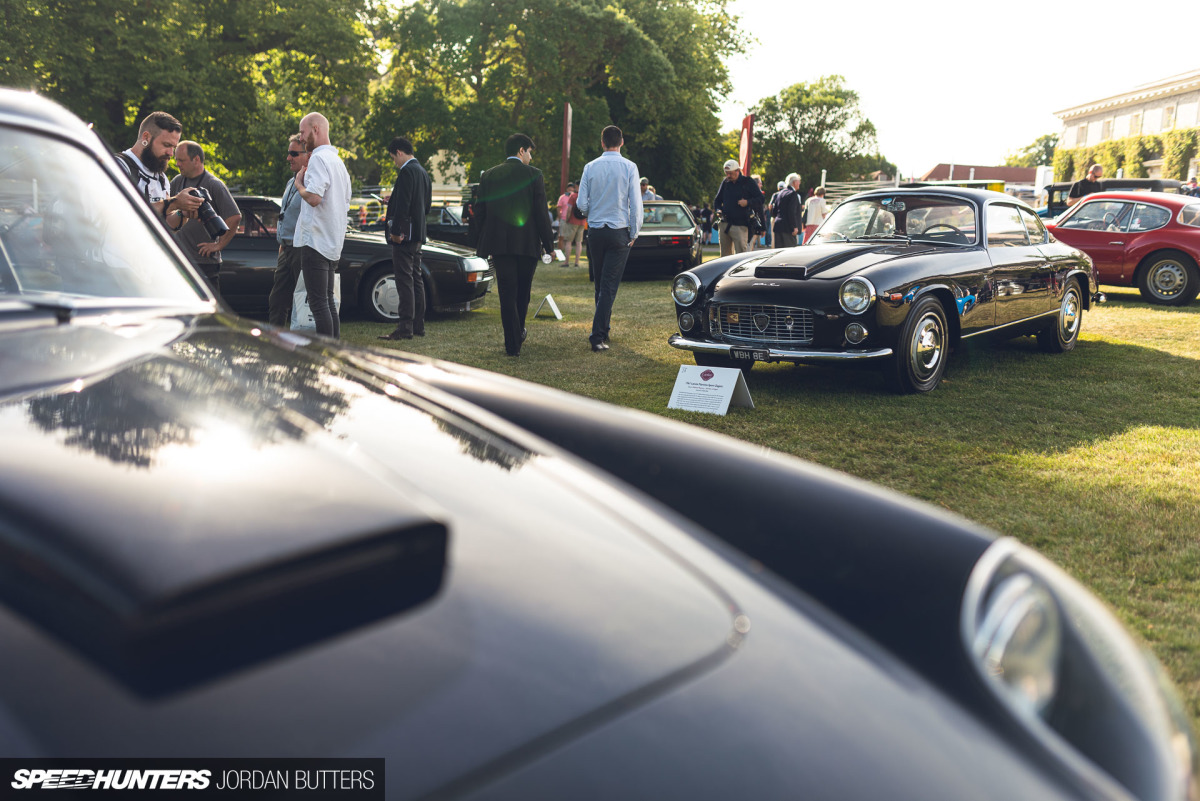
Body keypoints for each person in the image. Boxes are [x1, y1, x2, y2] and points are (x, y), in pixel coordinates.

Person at [474, 133, 555, 356]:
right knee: (523, 292)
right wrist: (549, 245)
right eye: (529, 151)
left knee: (506, 294)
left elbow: (479, 212)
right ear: (521, 150)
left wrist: (480, 241)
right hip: (527, 244)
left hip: (499, 245)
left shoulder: (489, 175)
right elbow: (541, 213)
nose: (530, 156)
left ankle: (512, 343)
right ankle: (518, 334)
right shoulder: (534, 175)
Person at [578, 125, 642, 352]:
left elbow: (581, 204)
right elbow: (636, 203)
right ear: (621, 142)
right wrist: (634, 232)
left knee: (600, 283)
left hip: (595, 230)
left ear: (602, 142)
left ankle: (603, 328)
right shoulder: (629, 167)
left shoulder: (590, 166)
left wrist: (591, 213)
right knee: (609, 285)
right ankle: (597, 336)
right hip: (618, 229)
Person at [293, 111, 352, 338]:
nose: (301, 138)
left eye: (303, 132)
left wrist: (299, 184)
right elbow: (344, 203)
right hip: (332, 242)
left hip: (315, 241)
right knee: (328, 301)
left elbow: (314, 197)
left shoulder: (318, 158)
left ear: (315, 129)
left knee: (318, 304)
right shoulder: (338, 162)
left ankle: (326, 355)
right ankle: (334, 351)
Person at [169, 141, 241, 297]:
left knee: (207, 311)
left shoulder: (214, 184)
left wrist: (218, 245)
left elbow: (235, 217)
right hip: (180, 259)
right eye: (176, 159)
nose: (177, 164)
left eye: (181, 160)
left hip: (204, 262)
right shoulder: (177, 181)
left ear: (196, 160)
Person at [378, 136, 432, 341]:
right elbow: (424, 206)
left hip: (404, 235)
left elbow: (404, 206)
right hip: (418, 234)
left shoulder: (407, 171)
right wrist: (394, 200)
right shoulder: (423, 172)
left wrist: (396, 232)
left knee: (404, 280)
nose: (394, 162)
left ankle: (405, 327)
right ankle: (418, 325)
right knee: (416, 279)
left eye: (393, 158)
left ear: (399, 152)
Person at [114, 111, 203, 233]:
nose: (171, 153)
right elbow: (122, 217)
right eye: (166, 145)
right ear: (146, 137)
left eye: (173, 147)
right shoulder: (119, 166)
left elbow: (166, 225)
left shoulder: (161, 178)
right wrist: (174, 202)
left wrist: (182, 212)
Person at [267, 135, 308, 327]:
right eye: (288, 153)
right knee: (277, 299)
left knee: (303, 300)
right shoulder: (291, 182)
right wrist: (282, 244)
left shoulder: (312, 182)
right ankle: (276, 340)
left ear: (307, 155)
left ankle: (304, 342)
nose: (288, 158)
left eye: (294, 153)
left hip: (302, 248)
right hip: (286, 248)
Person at [712, 159, 762, 256]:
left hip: (740, 225)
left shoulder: (748, 182)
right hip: (724, 223)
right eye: (726, 173)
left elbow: (761, 199)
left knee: (741, 256)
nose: (728, 176)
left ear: (737, 171)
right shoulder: (725, 182)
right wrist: (718, 209)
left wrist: (747, 202)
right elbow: (717, 200)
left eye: (730, 173)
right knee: (724, 256)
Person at [773, 173, 803, 248]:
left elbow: (774, 211)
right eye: (798, 181)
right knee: (789, 254)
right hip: (789, 229)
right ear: (794, 182)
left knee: (778, 253)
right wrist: (794, 226)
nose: (799, 183)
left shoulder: (780, 193)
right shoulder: (793, 194)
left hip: (778, 226)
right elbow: (791, 212)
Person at [560, 183, 587, 267]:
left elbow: (569, 209)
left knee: (569, 242)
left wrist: (567, 219)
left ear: (577, 186)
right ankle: (576, 262)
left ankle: (566, 262)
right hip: (582, 222)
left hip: (572, 221)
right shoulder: (585, 196)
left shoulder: (573, 196)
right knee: (579, 242)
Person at [556, 182, 575, 252]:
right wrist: (560, 216)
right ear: (567, 189)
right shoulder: (562, 197)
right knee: (561, 236)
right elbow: (558, 207)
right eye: (569, 188)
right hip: (563, 219)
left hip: (572, 220)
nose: (570, 190)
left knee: (569, 238)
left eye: (572, 188)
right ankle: (560, 252)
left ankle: (566, 253)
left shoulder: (575, 197)